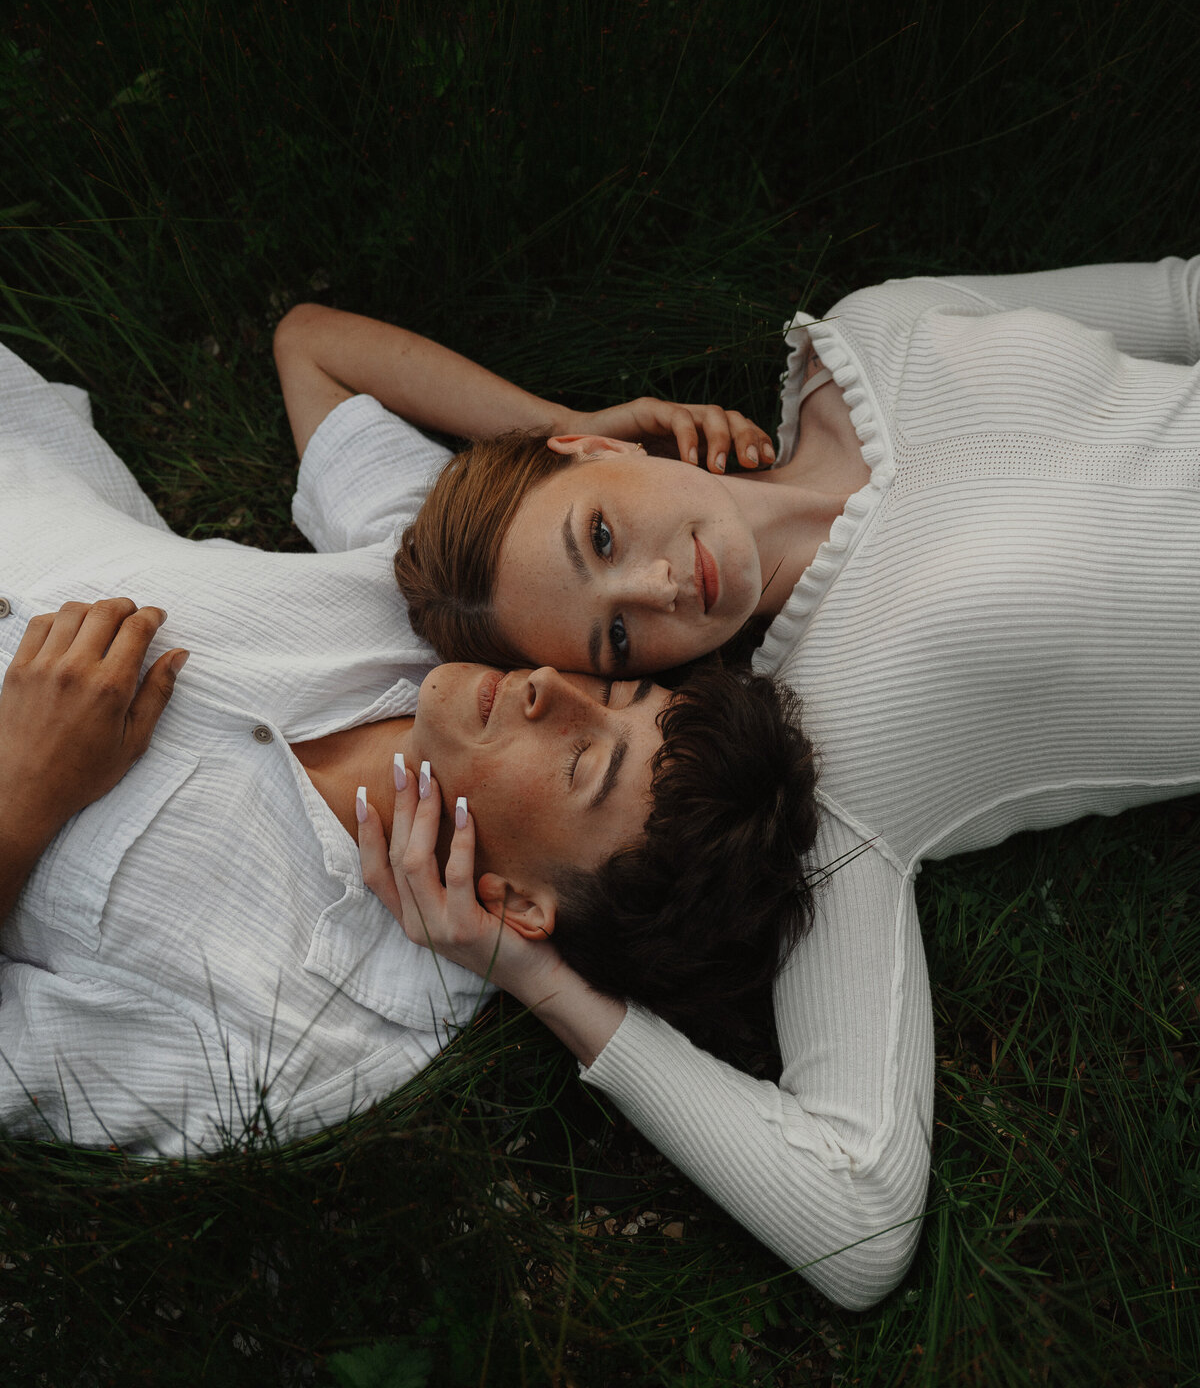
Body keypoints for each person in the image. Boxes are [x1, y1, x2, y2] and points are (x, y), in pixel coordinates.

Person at [276, 258, 1200, 1311]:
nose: (663, 585)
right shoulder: (838, 749)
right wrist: (528, 973)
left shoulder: (866, 336)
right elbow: (857, 1219)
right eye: (618, 639)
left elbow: (311, 343)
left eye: (601, 534)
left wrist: (561, 411)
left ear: (592, 453)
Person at [0, 339, 813, 1156]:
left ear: (521, 905)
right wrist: (566, 426)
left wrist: (22, 799)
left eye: (584, 764)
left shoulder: (303, 1037)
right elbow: (314, 350)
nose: (551, 688)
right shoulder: (463, 613)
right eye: (613, 689)